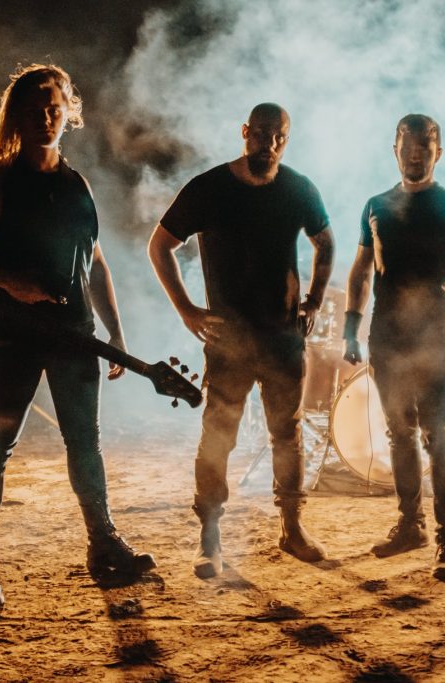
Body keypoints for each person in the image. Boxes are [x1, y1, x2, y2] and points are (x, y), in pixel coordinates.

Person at [0, 64, 155, 612]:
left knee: (85, 441)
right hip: (14, 335)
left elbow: (95, 262)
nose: (45, 117)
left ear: (68, 112)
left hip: (75, 334)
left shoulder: (76, 183)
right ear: (15, 115)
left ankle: (103, 542)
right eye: (34, 108)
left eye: (54, 107)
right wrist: (7, 281)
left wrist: (116, 330)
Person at [148, 103, 335, 578]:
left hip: (283, 339)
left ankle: (292, 529)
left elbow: (326, 242)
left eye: (279, 136)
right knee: (218, 436)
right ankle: (210, 538)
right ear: (245, 131)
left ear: (285, 141)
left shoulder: (298, 188)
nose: (269, 144)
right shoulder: (209, 188)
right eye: (262, 133)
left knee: (287, 434)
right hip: (229, 340)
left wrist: (313, 301)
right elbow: (160, 245)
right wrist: (186, 309)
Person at [343, 114, 445, 580]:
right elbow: (361, 271)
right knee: (398, 433)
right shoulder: (376, 206)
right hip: (387, 335)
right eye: (408, 147)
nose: (415, 155)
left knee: (438, 434)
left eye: (425, 147)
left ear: (438, 152)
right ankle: (410, 526)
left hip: (435, 335)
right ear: (395, 150)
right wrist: (350, 328)